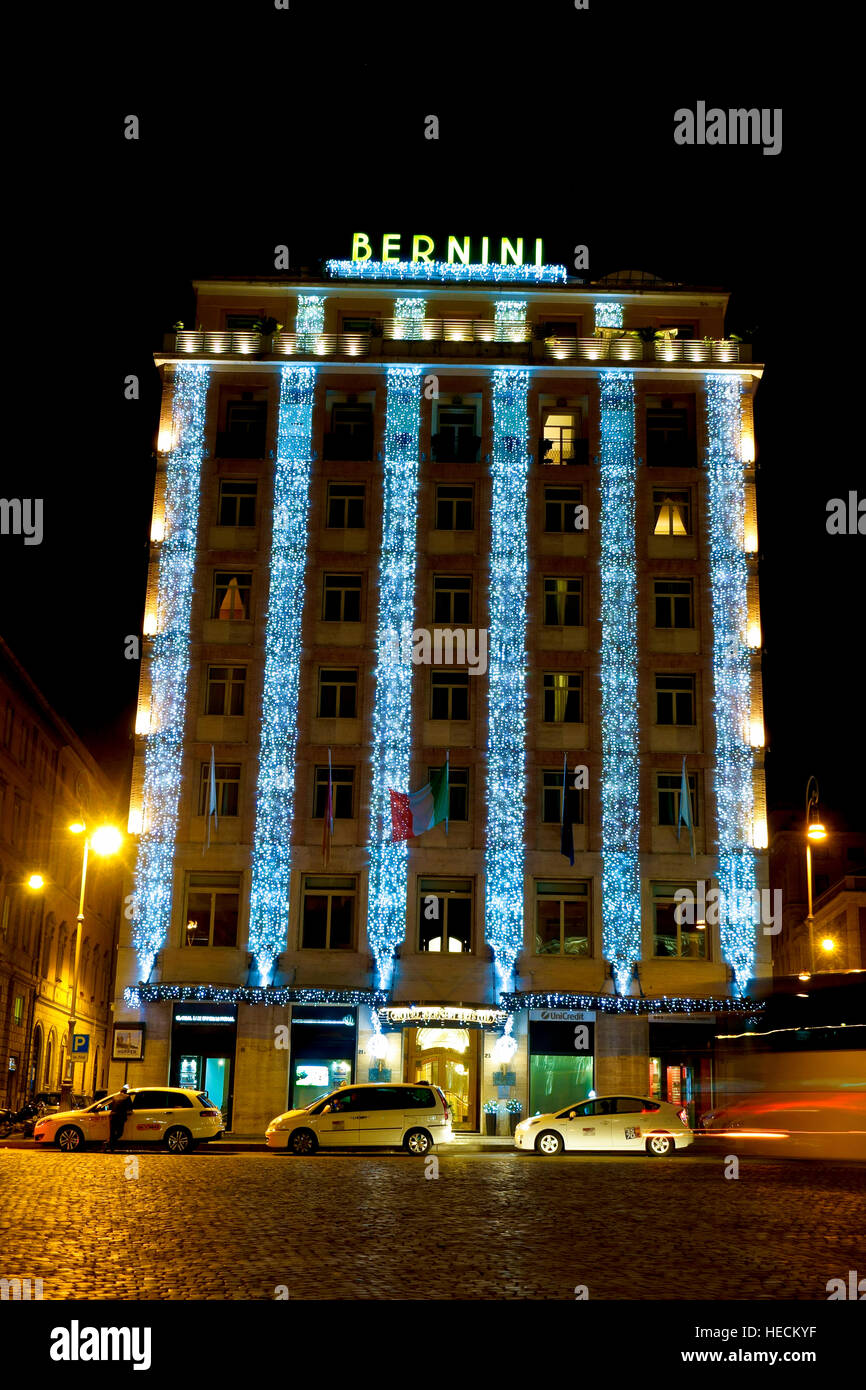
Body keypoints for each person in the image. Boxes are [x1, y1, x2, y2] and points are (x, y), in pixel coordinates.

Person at [103, 1085, 133, 1152]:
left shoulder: (114, 1096)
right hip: (120, 1116)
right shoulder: (127, 1097)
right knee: (119, 1133)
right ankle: (108, 1143)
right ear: (126, 1092)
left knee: (112, 1133)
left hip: (112, 1116)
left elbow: (111, 1106)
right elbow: (130, 1107)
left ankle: (111, 1147)